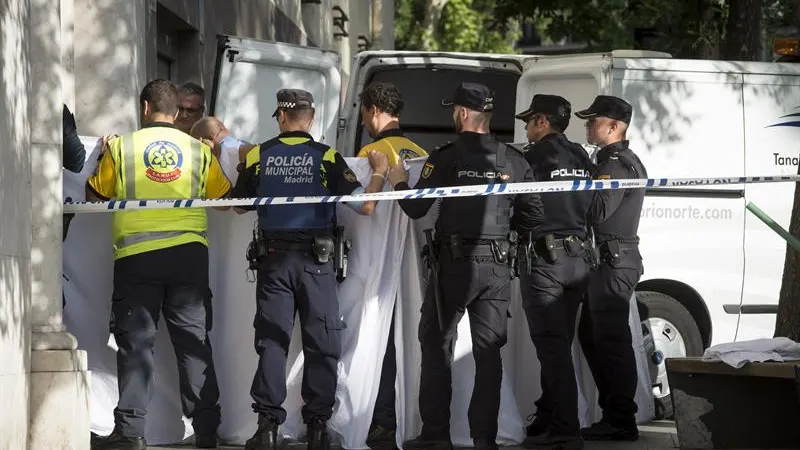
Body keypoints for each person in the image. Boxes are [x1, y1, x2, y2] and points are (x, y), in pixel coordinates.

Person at [387, 82, 544, 450]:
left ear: (461, 113)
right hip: (496, 268)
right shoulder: (514, 160)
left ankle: (436, 435)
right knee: (489, 354)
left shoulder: (444, 157)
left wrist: (396, 180)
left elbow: (415, 208)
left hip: (454, 266)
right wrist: (505, 234)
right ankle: (484, 439)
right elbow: (534, 215)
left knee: (437, 345)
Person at [232, 89, 390, 450]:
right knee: (322, 343)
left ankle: (267, 428)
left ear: (281, 118)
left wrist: (243, 162)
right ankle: (318, 428)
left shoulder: (260, 154)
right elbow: (365, 207)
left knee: (272, 342)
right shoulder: (327, 156)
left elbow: (238, 206)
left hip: (273, 263)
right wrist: (379, 172)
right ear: (312, 118)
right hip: (316, 264)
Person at [86, 79, 227, 450]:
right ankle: (208, 430)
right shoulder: (198, 152)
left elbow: (94, 194)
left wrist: (102, 155)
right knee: (193, 343)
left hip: (137, 259)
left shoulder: (122, 147)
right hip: (188, 258)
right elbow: (225, 197)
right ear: (178, 112)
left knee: (136, 346)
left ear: (144, 108)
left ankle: (131, 433)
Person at [514, 95, 595, 450]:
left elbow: (520, 204)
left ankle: (565, 427)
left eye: (529, 121)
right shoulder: (582, 156)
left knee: (552, 348)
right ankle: (548, 414)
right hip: (578, 258)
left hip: (545, 260)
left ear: (542, 121)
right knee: (559, 343)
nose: (526, 129)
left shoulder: (533, 158)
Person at [355, 81, 428, 449]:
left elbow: (360, 208)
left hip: (378, 264)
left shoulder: (372, 150)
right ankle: (410, 416)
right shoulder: (419, 151)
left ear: (373, 110)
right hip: (414, 266)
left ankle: (382, 420)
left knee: (378, 340)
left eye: (365, 113)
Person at [575, 95, 647, 442]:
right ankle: (614, 413)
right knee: (593, 337)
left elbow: (597, 211)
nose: (588, 125)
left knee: (611, 341)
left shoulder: (614, 164)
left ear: (614, 127)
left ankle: (621, 419)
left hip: (612, 262)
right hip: (609, 260)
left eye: (593, 121)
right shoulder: (612, 160)